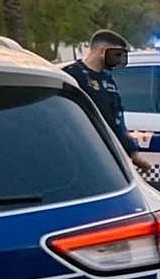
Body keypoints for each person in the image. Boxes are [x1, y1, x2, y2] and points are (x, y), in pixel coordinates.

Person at [63, 29, 152, 173]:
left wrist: (133, 153)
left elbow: (117, 119)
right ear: (102, 50)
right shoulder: (72, 75)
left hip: (106, 152)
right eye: (117, 54)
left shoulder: (108, 79)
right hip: (80, 151)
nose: (118, 60)